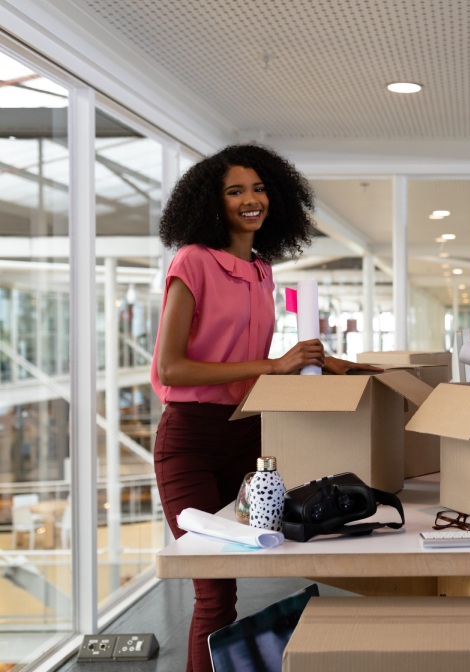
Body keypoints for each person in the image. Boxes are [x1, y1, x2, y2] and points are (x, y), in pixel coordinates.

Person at [150, 143, 380, 672]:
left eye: (258, 188)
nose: (250, 199)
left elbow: (251, 361)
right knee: (215, 592)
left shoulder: (261, 270)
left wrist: (318, 363)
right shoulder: (192, 261)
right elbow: (171, 369)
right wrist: (275, 367)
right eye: (235, 191)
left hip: (250, 434)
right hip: (191, 440)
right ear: (213, 202)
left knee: (277, 555)